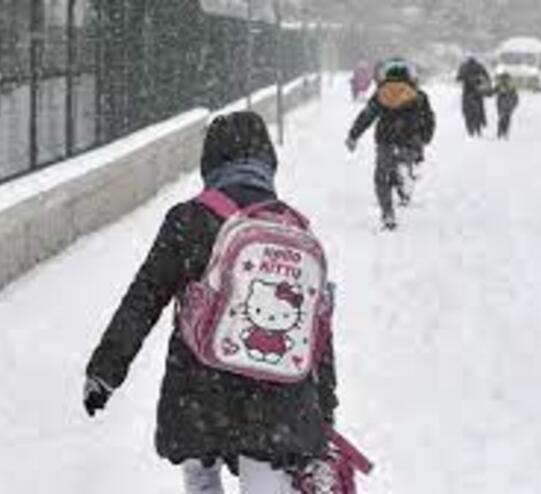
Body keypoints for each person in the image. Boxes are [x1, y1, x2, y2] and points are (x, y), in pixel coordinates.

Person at [83, 111, 339, 493]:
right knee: (267, 479)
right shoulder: (293, 228)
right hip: (276, 399)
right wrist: (324, 407)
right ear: (268, 162)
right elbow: (316, 329)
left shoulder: (189, 219)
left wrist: (105, 370)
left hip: (200, 391)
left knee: (202, 476)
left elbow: (144, 297)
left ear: (210, 162)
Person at [346, 58, 436, 230]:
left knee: (381, 178)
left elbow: (367, 116)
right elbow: (429, 119)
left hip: (386, 140)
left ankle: (388, 213)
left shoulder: (381, 94)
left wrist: (353, 136)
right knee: (406, 163)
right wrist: (425, 138)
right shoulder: (419, 96)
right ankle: (407, 175)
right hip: (410, 140)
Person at [457, 56, 491, 137]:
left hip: (467, 92)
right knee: (480, 110)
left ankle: (471, 129)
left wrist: (463, 78)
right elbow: (487, 77)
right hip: (478, 92)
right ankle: (480, 125)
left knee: (466, 111)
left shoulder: (464, 67)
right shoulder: (480, 66)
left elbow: (458, 78)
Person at [494, 72, 519, 139]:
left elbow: (493, 91)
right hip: (506, 105)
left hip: (505, 104)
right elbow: (515, 97)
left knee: (503, 119)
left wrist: (514, 104)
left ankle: (501, 133)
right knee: (505, 119)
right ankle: (503, 133)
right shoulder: (508, 86)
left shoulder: (506, 86)